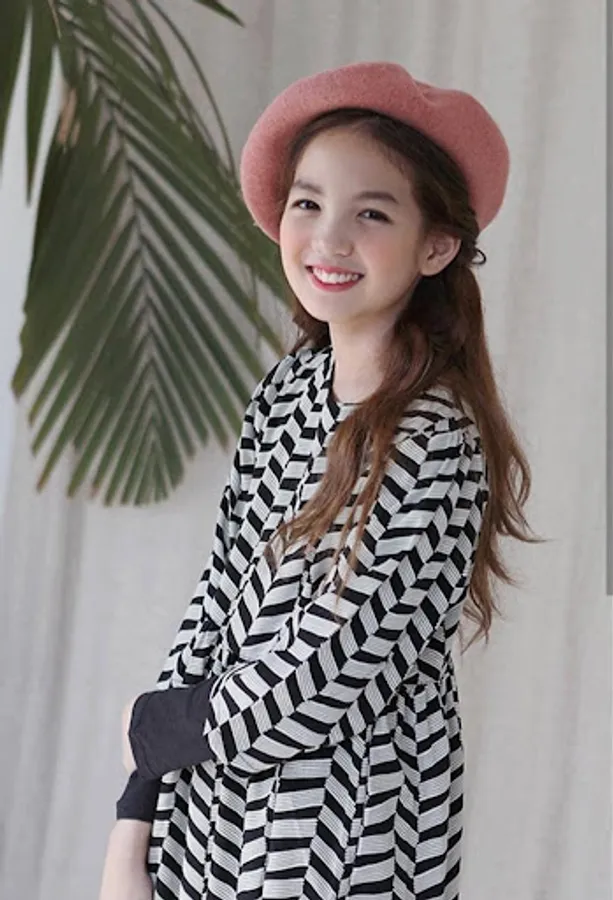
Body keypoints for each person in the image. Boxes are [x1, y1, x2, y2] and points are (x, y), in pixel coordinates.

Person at [98, 61, 539, 900]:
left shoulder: (436, 438)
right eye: (307, 204)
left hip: (349, 835)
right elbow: (220, 589)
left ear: (436, 245)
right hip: (212, 819)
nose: (328, 239)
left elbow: (330, 666)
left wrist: (157, 729)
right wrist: (138, 812)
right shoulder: (289, 388)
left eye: (371, 213)